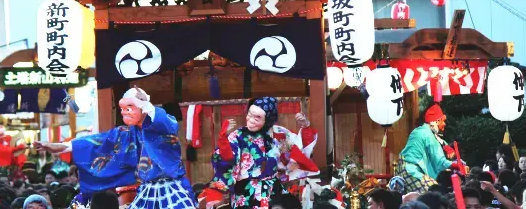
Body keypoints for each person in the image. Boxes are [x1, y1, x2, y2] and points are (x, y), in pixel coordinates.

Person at [36, 87, 195, 209]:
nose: (126, 112)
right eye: (124, 108)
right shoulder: (124, 134)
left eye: (130, 107)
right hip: (145, 190)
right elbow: (96, 142)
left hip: (173, 187)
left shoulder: (161, 123)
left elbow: (168, 124)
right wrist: (62, 146)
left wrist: (147, 105)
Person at [199, 97, 319, 208]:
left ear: (269, 118)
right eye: (250, 115)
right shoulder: (239, 135)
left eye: (257, 117)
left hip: (273, 191)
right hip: (246, 193)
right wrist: (223, 140)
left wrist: (305, 127)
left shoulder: (278, 134)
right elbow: (226, 159)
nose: (251, 120)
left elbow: (298, 152)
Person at [394, 104, 460, 194]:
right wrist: (456, 165)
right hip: (412, 172)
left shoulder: (421, 131)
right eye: (443, 121)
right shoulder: (428, 135)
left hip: (405, 170)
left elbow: (440, 145)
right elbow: (439, 161)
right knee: (434, 193)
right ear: (436, 121)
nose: (444, 124)